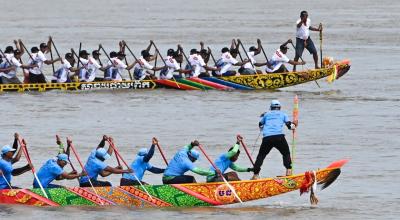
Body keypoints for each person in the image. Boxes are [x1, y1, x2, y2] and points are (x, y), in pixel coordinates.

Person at [252, 100, 297, 179]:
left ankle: (255, 175)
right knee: (286, 153)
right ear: (279, 107)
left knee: (261, 156)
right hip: (279, 137)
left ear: (271, 108)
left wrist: (263, 124)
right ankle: (289, 172)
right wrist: (295, 124)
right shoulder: (283, 114)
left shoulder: (266, 114)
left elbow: (260, 124)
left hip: (267, 138)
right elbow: (290, 127)